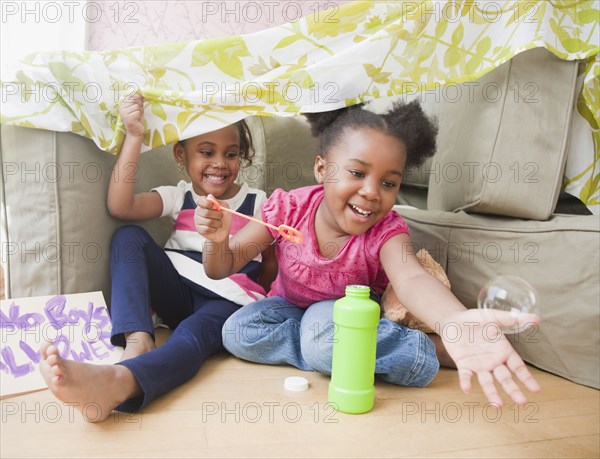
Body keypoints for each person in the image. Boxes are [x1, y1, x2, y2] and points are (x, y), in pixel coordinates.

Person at [196, 100, 541, 407]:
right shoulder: (288, 207)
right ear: (321, 169)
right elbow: (220, 267)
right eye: (358, 173)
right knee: (237, 331)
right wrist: (216, 239)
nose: (372, 192)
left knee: (324, 333)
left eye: (389, 183)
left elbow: (410, 278)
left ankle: (427, 349)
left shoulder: (387, 230)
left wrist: (453, 322)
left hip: (346, 314)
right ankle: (325, 347)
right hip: (291, 311)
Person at [39, 93, 275, 422]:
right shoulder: (179, 195)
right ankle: (137, 341)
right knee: (128, 236)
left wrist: (259, 298)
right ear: (182, 155)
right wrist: (134, 135)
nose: (220, 163)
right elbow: (120, 207)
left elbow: (270, 265)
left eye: (231, 154)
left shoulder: (260, 203)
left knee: (191, 339)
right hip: (176, 289)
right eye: (207, 152)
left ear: (242, 156)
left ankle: (119, 383)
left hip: (226, 300)